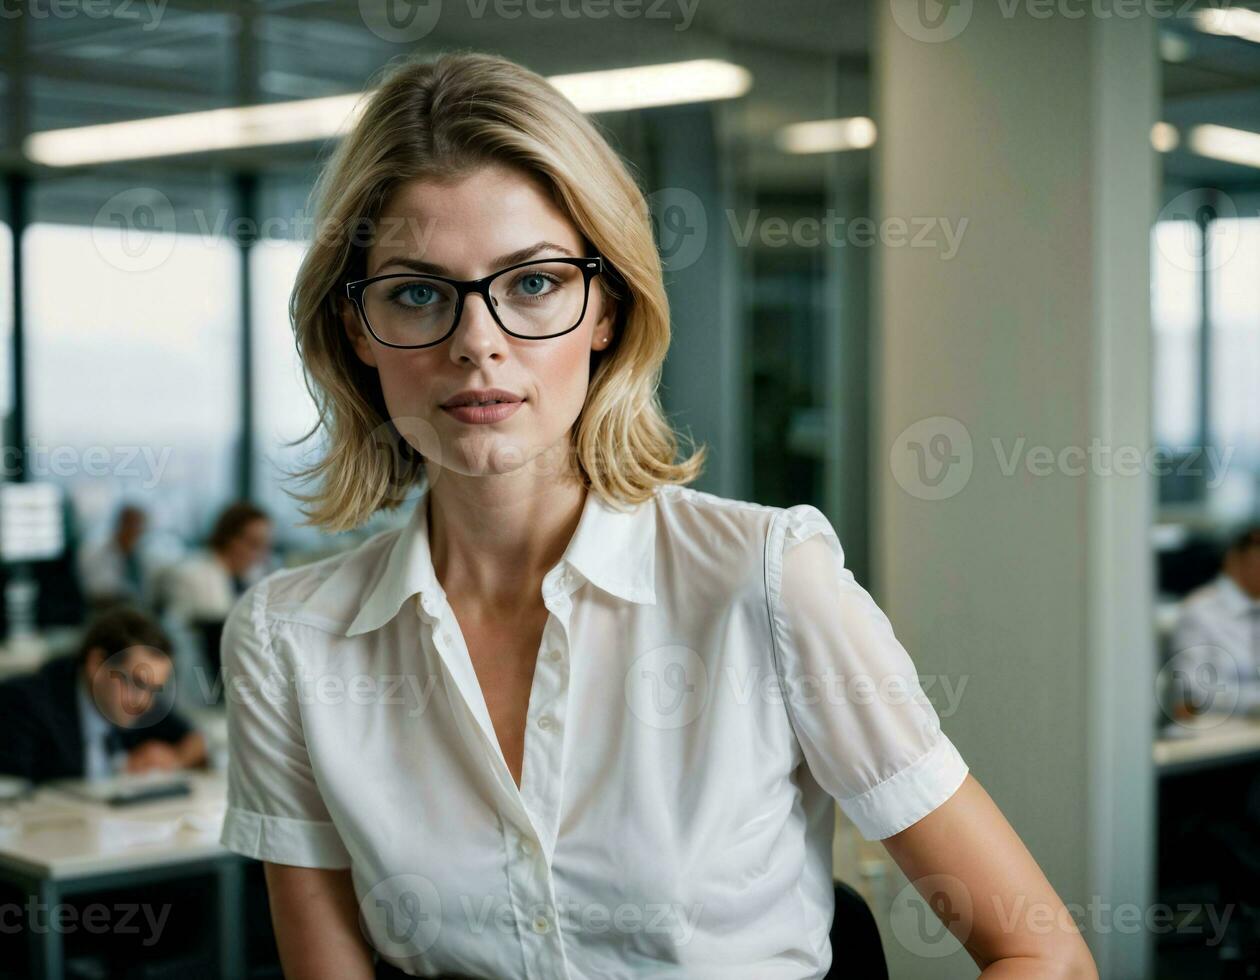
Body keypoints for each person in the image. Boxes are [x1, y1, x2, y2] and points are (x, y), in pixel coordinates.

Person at [217, 52, 1098, 980]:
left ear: (606, 307)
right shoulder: (289, 642)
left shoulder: (765, 580)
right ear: (357, 328)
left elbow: (1041, 953)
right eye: (418, 292)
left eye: (532, 284)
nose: (478, 343)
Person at [0, 605, 207, 784]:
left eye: (154, 689)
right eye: (137, 684)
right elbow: (13, 798)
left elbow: (197, 740)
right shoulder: (24, 704)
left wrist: (173, 759)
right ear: (96, 663)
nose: (145, 702)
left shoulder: (138, 702)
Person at [163, 501, 273, 707]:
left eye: (265, 545)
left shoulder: (258, 577)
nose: (262, 554)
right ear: (230, 539)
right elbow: (179, 633)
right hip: (199, 682)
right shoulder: (192, 574)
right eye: (254, 544)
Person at [1169, 522, 1260, 718]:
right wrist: (1253, 703)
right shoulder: (1200, 611)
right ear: (1234, 559)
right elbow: (1194, 692)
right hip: (1221, 734)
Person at [75, 503, 151, 613]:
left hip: (136, 612)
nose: (138, 532)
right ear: (122, 525)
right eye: (134, 526)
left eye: (141, 528)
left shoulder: (140, 554)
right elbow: (98, 592)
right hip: (106, 613)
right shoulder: (94, 552)